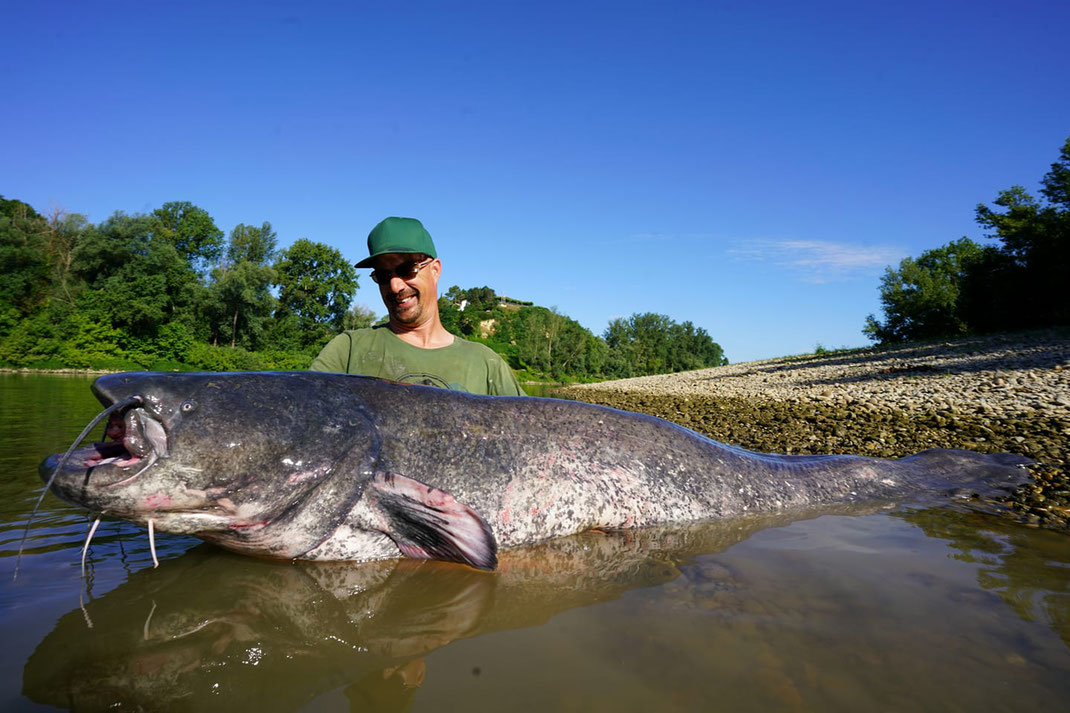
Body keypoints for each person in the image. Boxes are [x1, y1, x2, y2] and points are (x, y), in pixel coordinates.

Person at [310, 216, 525, 396]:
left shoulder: (487, 364)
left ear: (435, 270)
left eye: (406, 269)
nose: (394, 286)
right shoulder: (347, 350)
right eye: (383, 275)